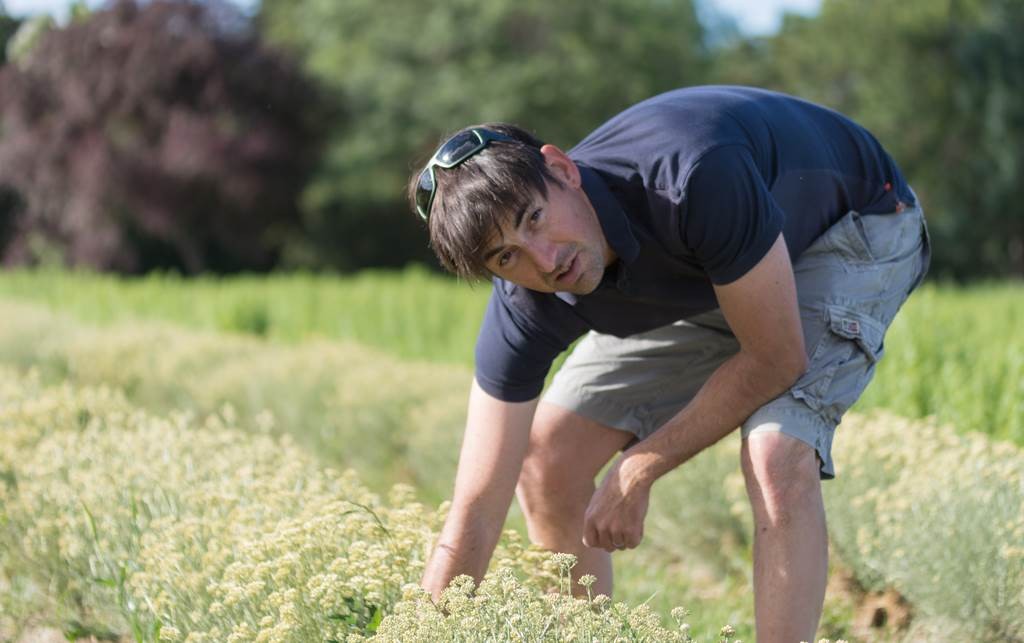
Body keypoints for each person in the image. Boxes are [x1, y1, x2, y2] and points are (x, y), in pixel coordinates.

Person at [407, 85, 930, 643]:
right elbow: (476, 507)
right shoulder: (525, 302)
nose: (546, 259)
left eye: (535, 217)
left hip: (849, 229)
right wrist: (414, 633)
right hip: (713, 271)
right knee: (547, 460)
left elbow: (776, 359)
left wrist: (637, 467)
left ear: (561, 169)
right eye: (506, 256)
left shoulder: (690, 173)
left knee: (777, 451)